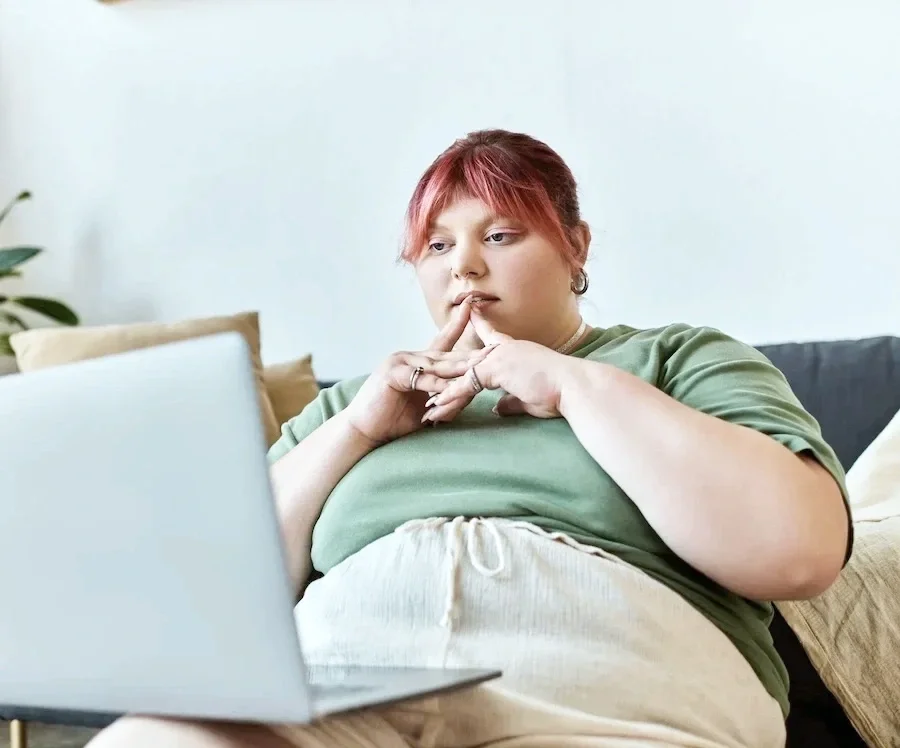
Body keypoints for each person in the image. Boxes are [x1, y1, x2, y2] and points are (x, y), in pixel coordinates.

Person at [89, 129, 852, 748]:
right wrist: (356, 430)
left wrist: (569, 384)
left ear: (576, 246)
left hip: (605, 691)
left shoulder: (677, 359)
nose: (467, 267)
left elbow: (797, 548)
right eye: (437, 247)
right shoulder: (363, 403)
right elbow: (214, 606)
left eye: (500, 233)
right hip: (341, 684)